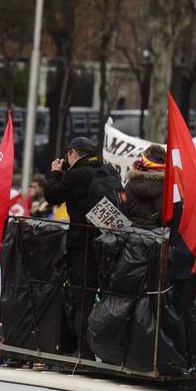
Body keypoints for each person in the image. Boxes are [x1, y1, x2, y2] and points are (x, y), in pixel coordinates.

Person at [43, 136, 123, 356]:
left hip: (83, 246)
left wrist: (56, 173)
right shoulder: (108, 170)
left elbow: (52, 195)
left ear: (73, 153)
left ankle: (84, 349)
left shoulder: (78, 174)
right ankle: (107, 348)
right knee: (107, 296)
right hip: (109, 244)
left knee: (83, 297)